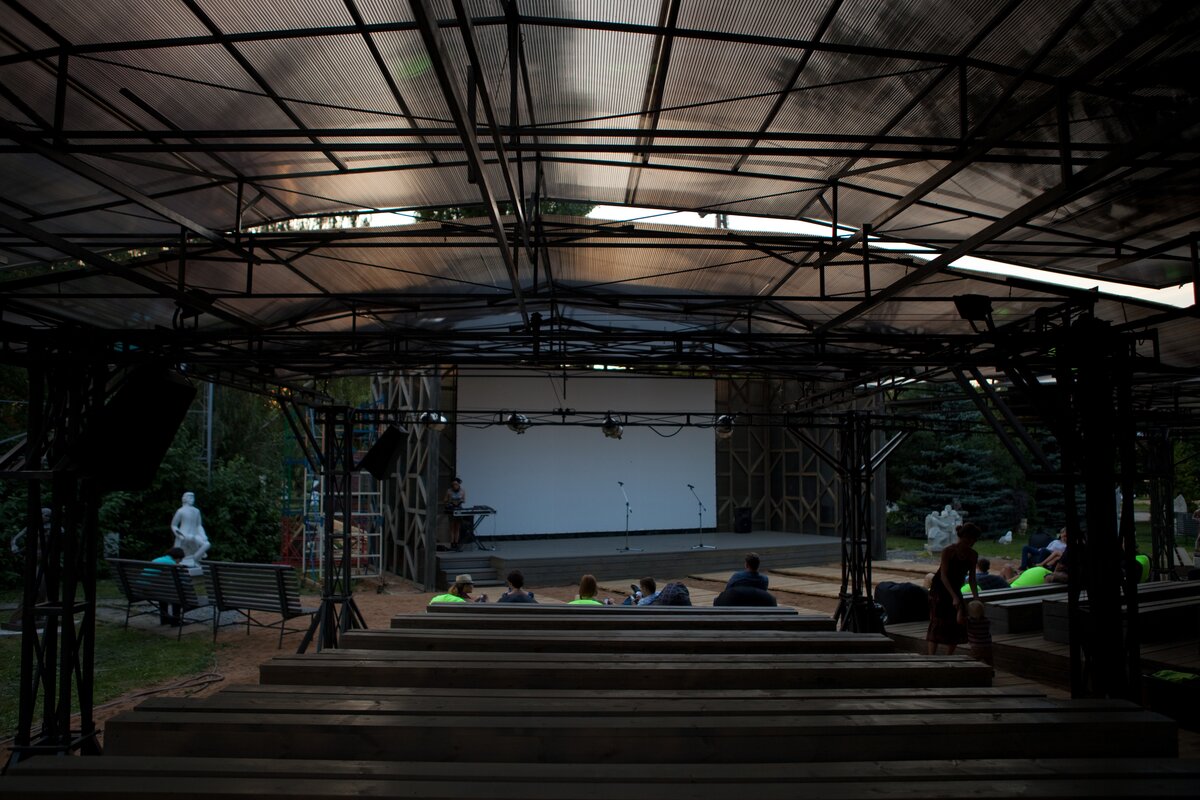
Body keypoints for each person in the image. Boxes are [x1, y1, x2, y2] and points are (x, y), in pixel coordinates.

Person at [926, 522, 981, 655]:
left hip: (956, 587)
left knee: (958, 621)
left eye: (974, 540)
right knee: (938, 621)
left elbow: (972, 579)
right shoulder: (948, 551)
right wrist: (954, 597)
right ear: (964, 537)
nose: (972, 542)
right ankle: (931, 656)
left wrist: (976, 598)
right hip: (940, 588)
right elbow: (943, 575)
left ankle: (949, 656)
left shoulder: (973, 554)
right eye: (971, 539)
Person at [170, 491, 210, 565]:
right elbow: (174, 525)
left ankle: (194, 558)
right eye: (190, 498)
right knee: (191, 538)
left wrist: (203, 535)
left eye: (193, 498)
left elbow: (199, 525)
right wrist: (179, 535)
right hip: (184, 534)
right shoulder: (180, 511)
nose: (192, 499)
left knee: (207, 544)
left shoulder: (196, 511)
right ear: (185, 499)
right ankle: (197, 556)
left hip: (195, 534)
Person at [149, 547, 186, 625]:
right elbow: (181, 579)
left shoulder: (157, 560)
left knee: (164, 591)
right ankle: (175, 621)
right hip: (153, 591)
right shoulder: (171, 563)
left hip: (141, 590)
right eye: (180, 560)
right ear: (178, 557)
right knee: (177, 594)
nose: (180, 562)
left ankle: (164, 619)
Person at [965, 600, 993, 666]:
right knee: (989, 661)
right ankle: (991, 670)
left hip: (976, 646)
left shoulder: (970, 622)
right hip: (988, 645)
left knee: (973, 662)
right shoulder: (987, 620)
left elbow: (961, 620)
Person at [442, 477, 466, 551]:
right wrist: (449, 502)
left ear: (459, 484)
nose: (455, 486)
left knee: (457, 527)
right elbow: (444, 500)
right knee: (452, 527)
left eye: (456, 484)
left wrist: (460, 501)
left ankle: (456, 543)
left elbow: (464, 500)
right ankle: (452, 543)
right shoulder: (449, 491)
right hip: (451, 509)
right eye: (453, 484)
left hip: (459, 509)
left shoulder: (462, 491)